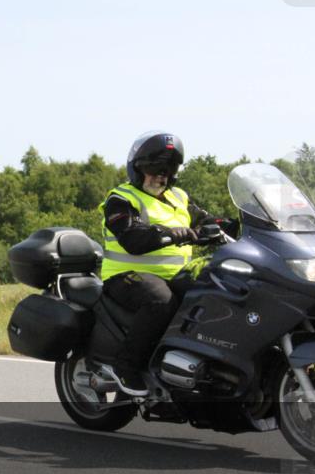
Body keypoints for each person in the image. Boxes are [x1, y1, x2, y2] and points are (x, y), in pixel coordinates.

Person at [98, 131, 231, 394]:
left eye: (168, 169)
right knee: (161, 301)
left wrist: (240, 224)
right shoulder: (121, 199)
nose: (161, 175)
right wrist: (173, 233)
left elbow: (209, 221)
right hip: (127, 276)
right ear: (137, 169)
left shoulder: (178, 198)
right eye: (155, 168)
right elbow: (133, 239)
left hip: (177, 275)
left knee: (221, 292)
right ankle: (126, 367)